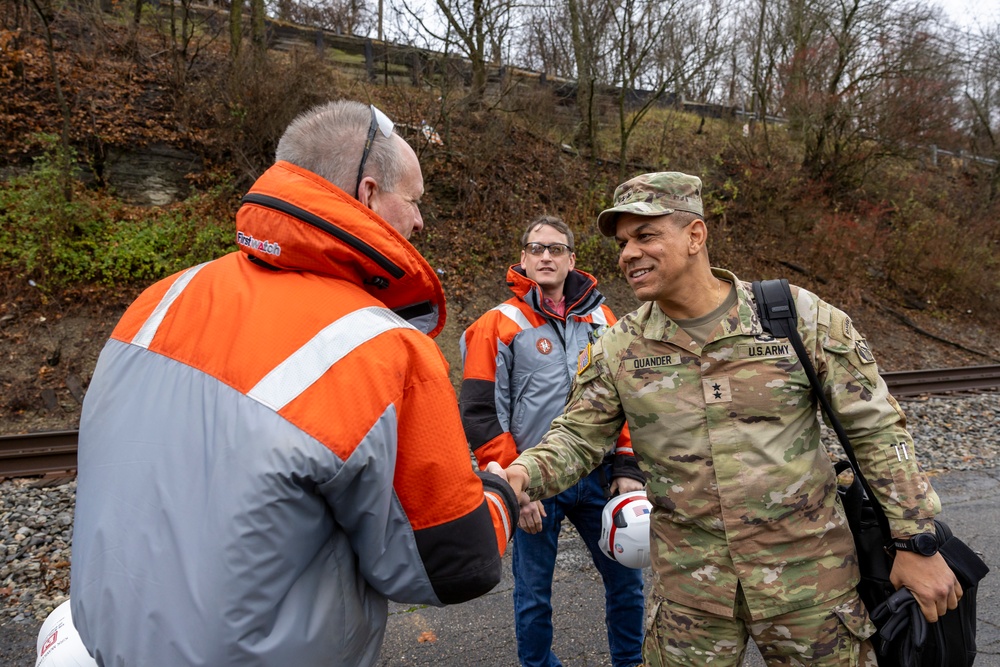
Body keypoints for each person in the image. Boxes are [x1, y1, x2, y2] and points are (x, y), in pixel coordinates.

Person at [69, 100, 519, 667]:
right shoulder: (384, 349)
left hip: (104, 644)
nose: (421, 222)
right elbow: (451, 566)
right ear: (368, 195)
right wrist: (500, 496)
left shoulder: (161, 299)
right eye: (415, 200)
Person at [500, 172, 962, 666]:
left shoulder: (797, 318)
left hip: (811, 588)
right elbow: (577, 436)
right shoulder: (620, 345)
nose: (628, 253)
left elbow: (876, 430)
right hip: (690, 601)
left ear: (695, 235)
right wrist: (522, 474)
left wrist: (916, 542)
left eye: (646, 235)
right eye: (622, 242)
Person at [459, 215, 646, 667]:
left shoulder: (603, 318)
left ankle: (630, 662)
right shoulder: (496, 324)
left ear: (571, 259)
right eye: (537, 248)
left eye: (556, 249)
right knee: (533, 594)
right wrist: (515, 488)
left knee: (628, 583)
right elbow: (480, 412)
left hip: (597, 476)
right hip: (534, 482)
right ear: (523, 258)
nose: (546, 256)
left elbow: (625, 397)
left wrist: (626, 464)